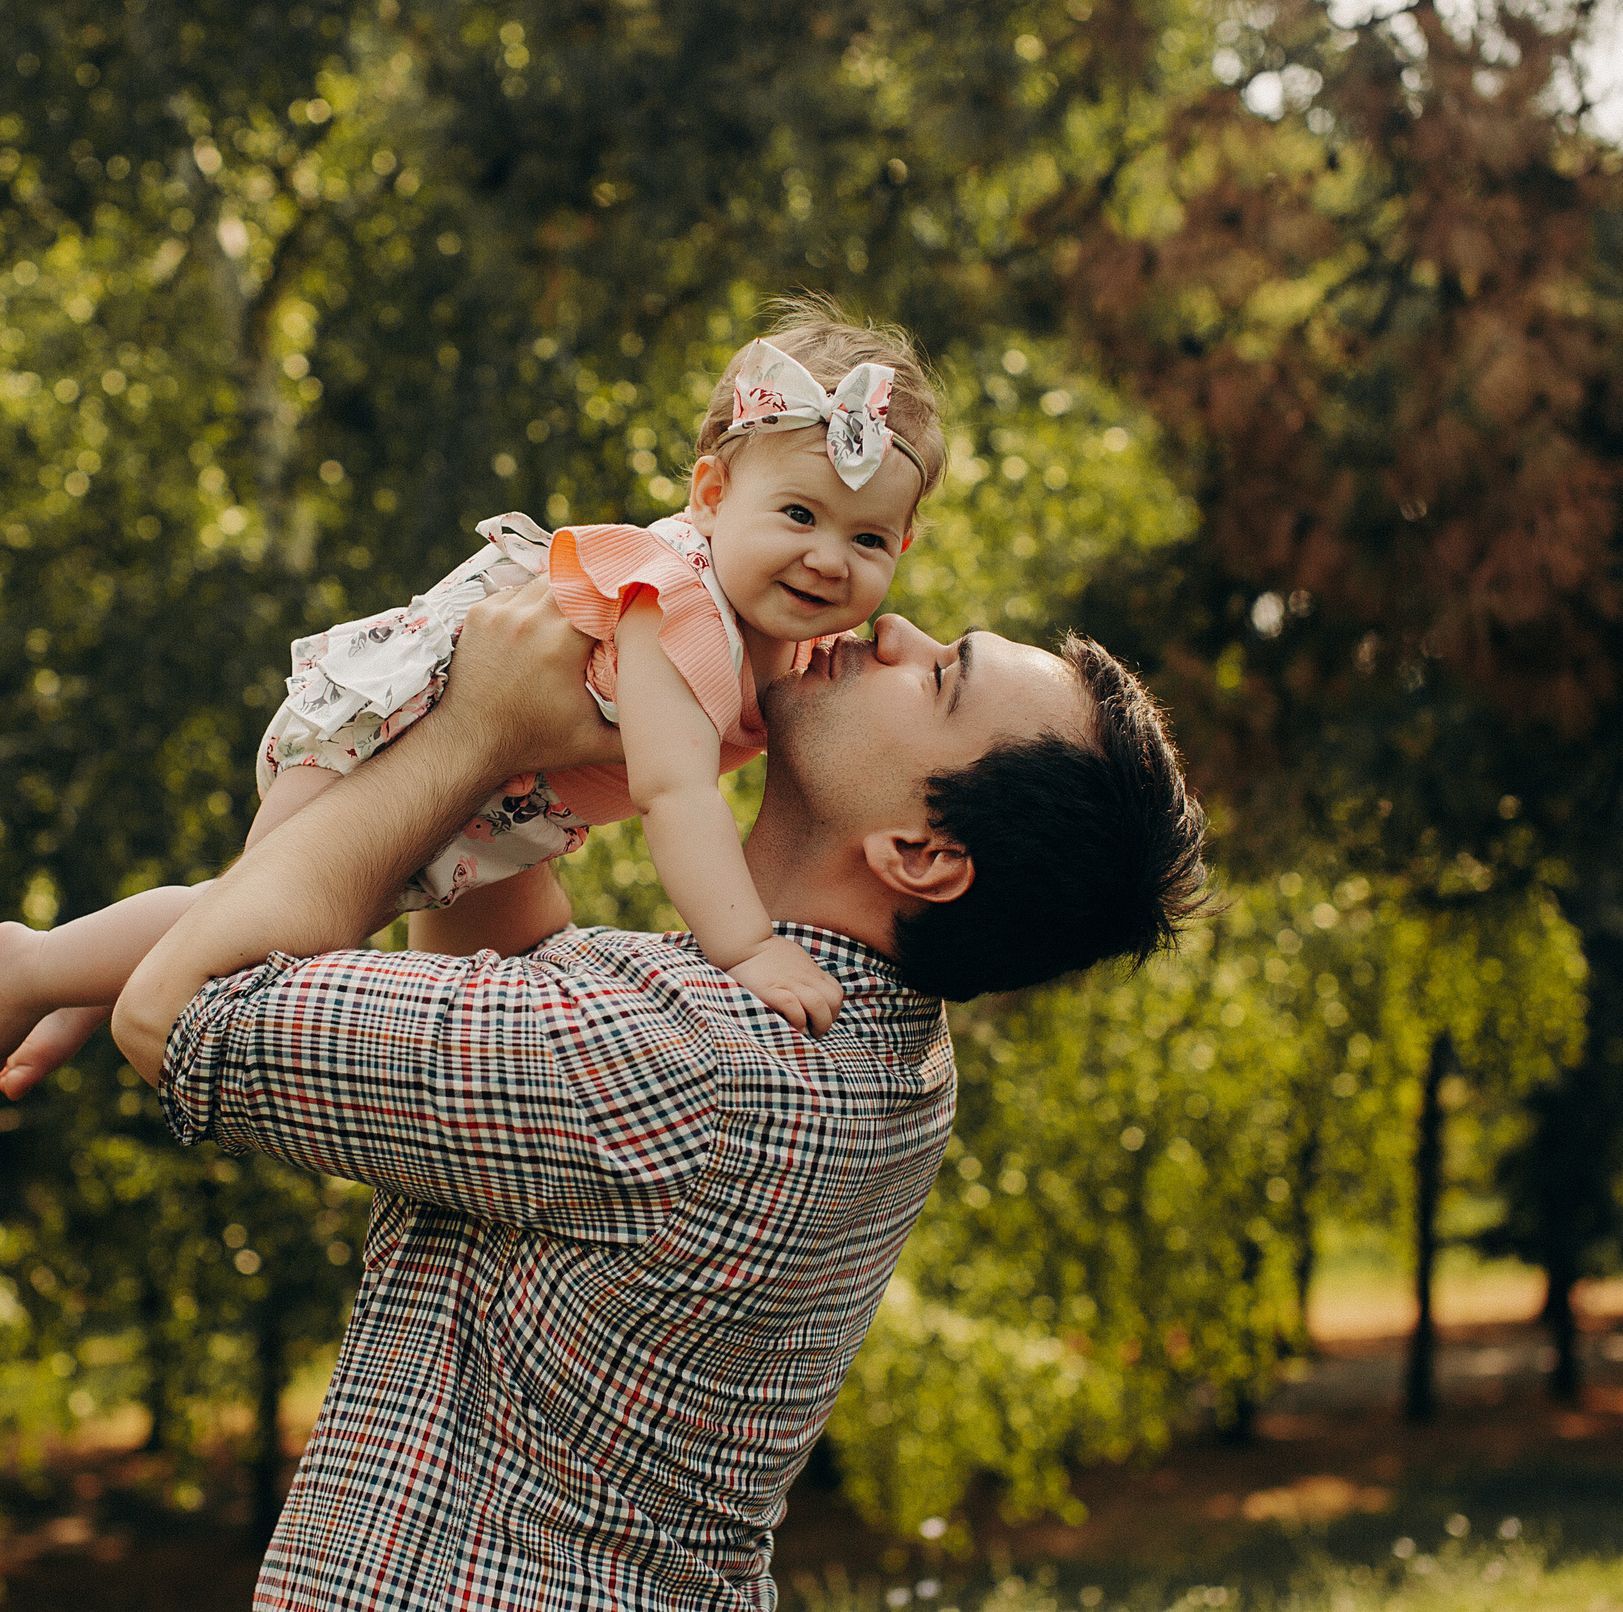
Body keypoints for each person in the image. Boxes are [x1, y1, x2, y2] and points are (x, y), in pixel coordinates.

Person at [89, 573, 1208, 1608]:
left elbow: (183, 1014)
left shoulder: (697, 1062)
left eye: (940, 675)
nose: (893, 630)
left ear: (919, 851)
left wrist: (479, 724)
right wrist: (523, 755)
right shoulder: (882, 1052)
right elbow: (510, 1000)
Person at [0, 304, 947, 1099]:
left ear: (901, 548)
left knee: (445, 976)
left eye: (864, 540)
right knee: (264, 926)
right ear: (713, 498)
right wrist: (747, 949)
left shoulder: (797, 627)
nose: (826, 558)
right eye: (799, 515)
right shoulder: (677, 608)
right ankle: (34, 965)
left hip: (495, 804)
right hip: (400, 733)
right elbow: (677, 794)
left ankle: (77, 980)